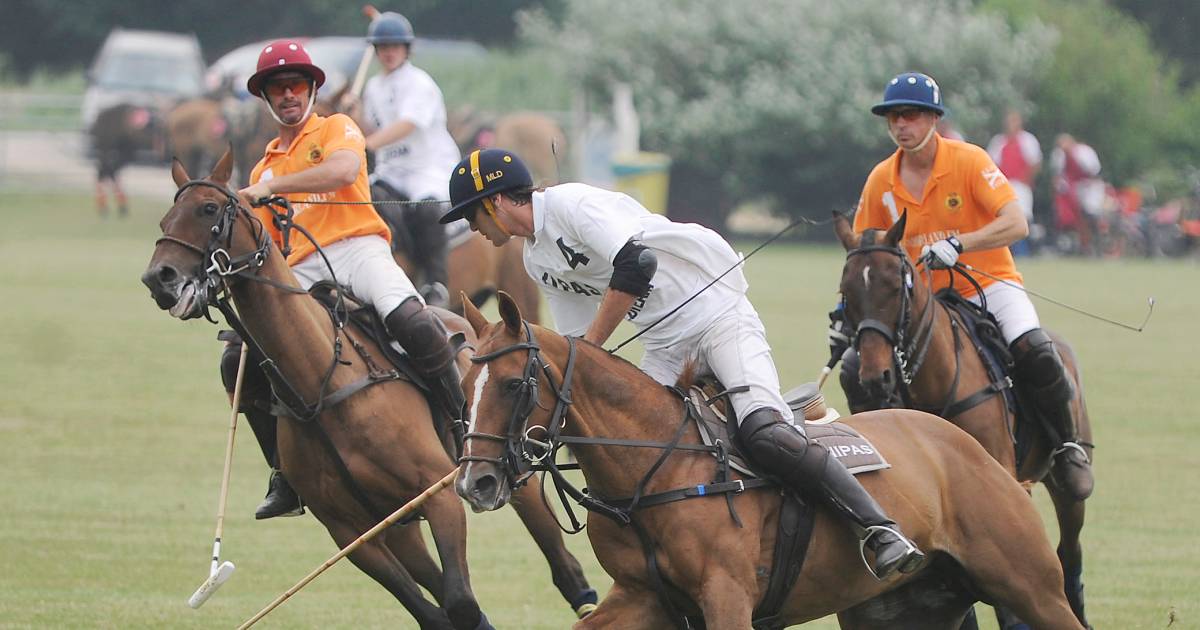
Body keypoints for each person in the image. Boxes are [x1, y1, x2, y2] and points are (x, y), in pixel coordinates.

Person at [441, 149, 926, 579]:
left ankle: (878, 528)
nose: (474, 230)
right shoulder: (534, 259)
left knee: (762, 429)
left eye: (471, 216)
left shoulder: (571, 205)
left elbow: (637, 264)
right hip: (665, 345)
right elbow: (574, 348)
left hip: (717, 316)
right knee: (630, 447)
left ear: (496, 202)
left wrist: (587, 350)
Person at [226, 39, 466, 519]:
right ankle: (284, 474)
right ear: (267, 98)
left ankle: (464, 429)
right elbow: (267, 249)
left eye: (295, 84)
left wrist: (272, 188)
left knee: (416, 323)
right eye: (277, 88)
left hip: (358, 247)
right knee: (236, 359)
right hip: (300, 265)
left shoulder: (338, 128)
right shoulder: (263, 164)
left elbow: (345, 169)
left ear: (311, 89)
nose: (288, 94)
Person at [839, 71, 1093, 501]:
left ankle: (1066, 448)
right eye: (893, 118)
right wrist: (846, 315)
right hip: (920, 303)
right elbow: (866, 250)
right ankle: (883, 462)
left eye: (911, 116)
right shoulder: (881, 178)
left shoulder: (969, 161)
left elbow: (1017, 222)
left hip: (987, 284)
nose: (901, 125)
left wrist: (960, 243)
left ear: (933, 119)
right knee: (854, 369)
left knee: (1037, 350)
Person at [341, 12, 461, 307]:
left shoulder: (419, 83)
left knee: (426, 211)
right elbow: (375, 129)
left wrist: (366, 143)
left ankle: (436, 283)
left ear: (407, 49)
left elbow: (407, 124)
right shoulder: (373, 87)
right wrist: (354, 116)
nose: (389, 52)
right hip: (392, 170)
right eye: (383, 47)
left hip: (428, 168)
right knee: (368, 200)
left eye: (395, 46)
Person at [986, 110, 1042, 256]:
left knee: (1023, 216)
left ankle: (1023, 251)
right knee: (1003, 217)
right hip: (1003, 184)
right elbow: (990, 166)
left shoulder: (1028, 140)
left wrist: (1027, 180)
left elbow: (1035, 163)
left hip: (1021, 185)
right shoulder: (998, 141)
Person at [1050, 134, 1104, 256]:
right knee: (1072, 216)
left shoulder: (1084, 152)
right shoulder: (1059, 156)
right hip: (1072, 188)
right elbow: (1057, 176)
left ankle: (1096, 238)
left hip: (1090, 186)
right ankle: (1080, 243)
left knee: (1089, 213)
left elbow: (1094, 172)